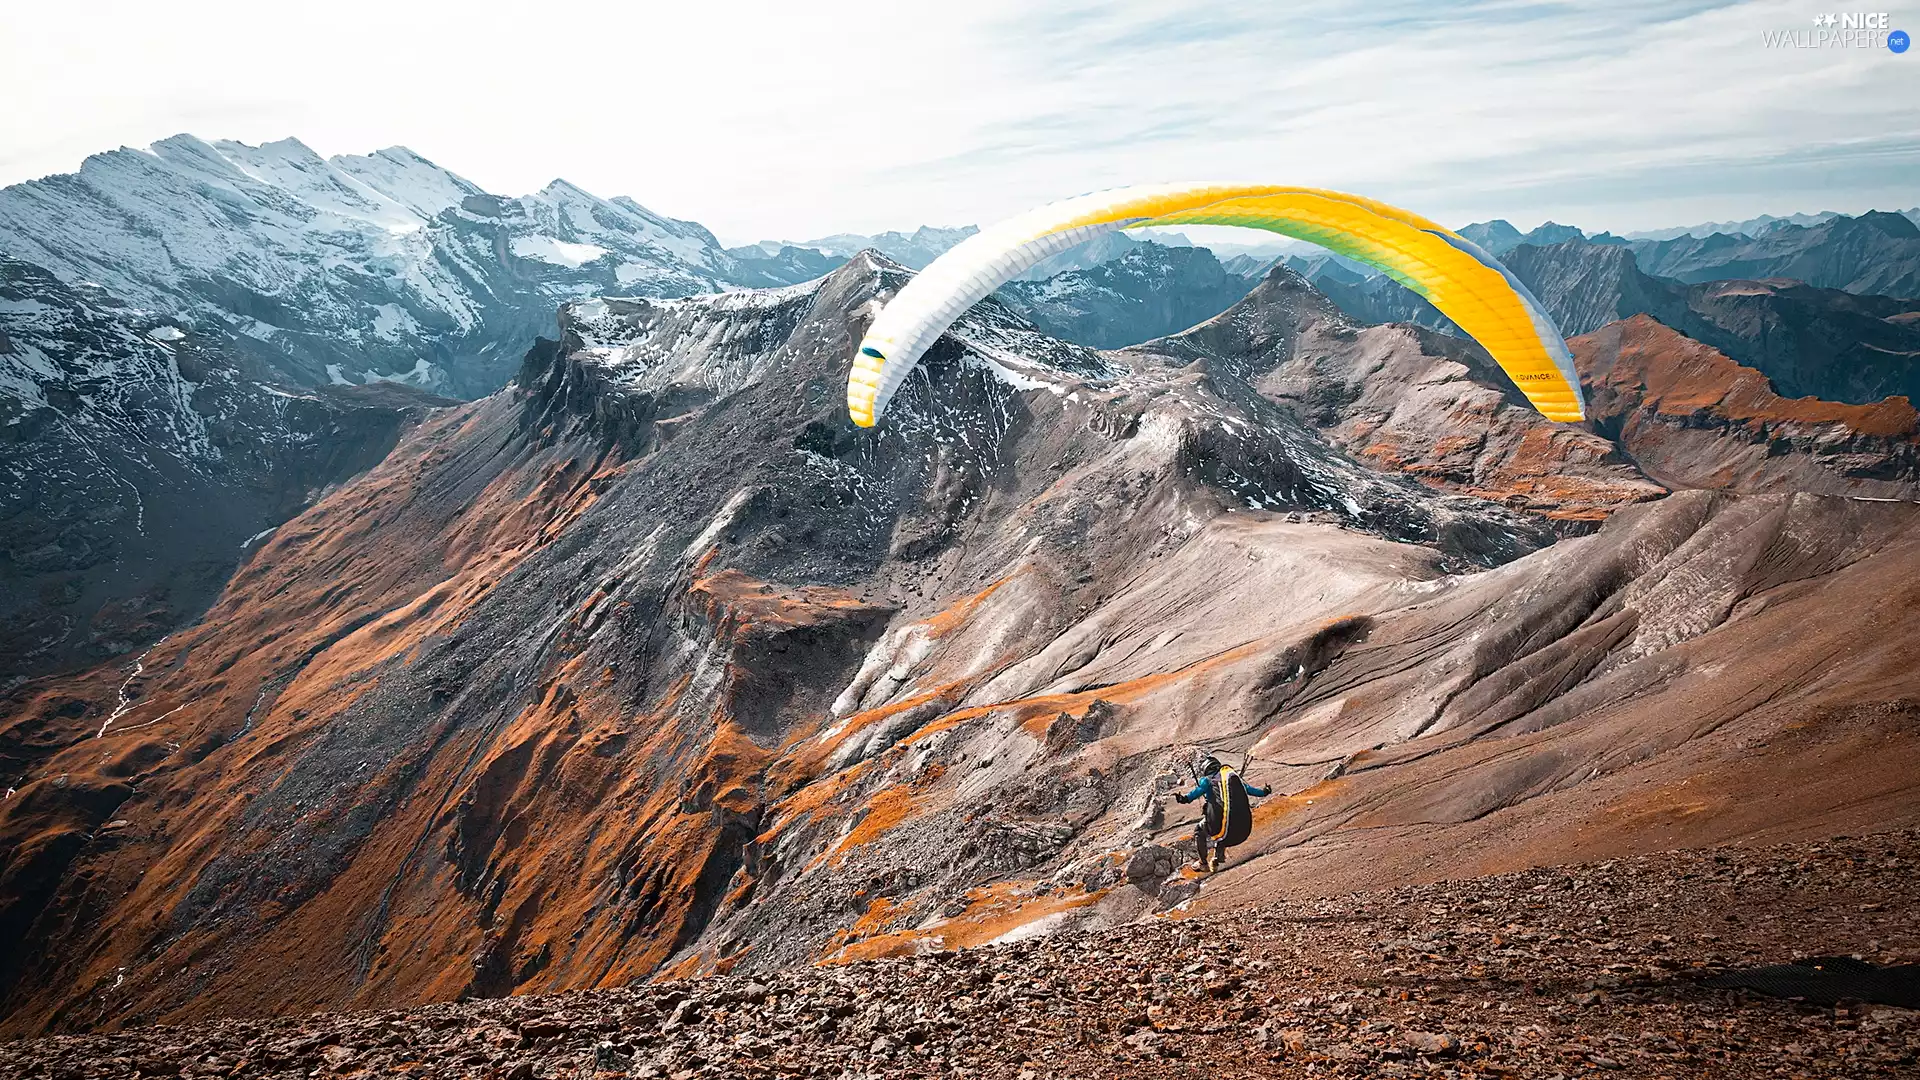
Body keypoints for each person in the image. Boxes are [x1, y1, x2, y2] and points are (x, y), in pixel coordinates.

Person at [1173, 754, 1269, 872]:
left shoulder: (1208, 780)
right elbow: (1251, 790)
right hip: (1243, 832)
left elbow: (1197, 792)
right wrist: (1265, 791)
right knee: (1223, 820)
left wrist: (1184, 799)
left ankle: (1203, 863)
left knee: (1200, 830)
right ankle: (1217, 858)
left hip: (1225, 831)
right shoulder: (1232, 780)